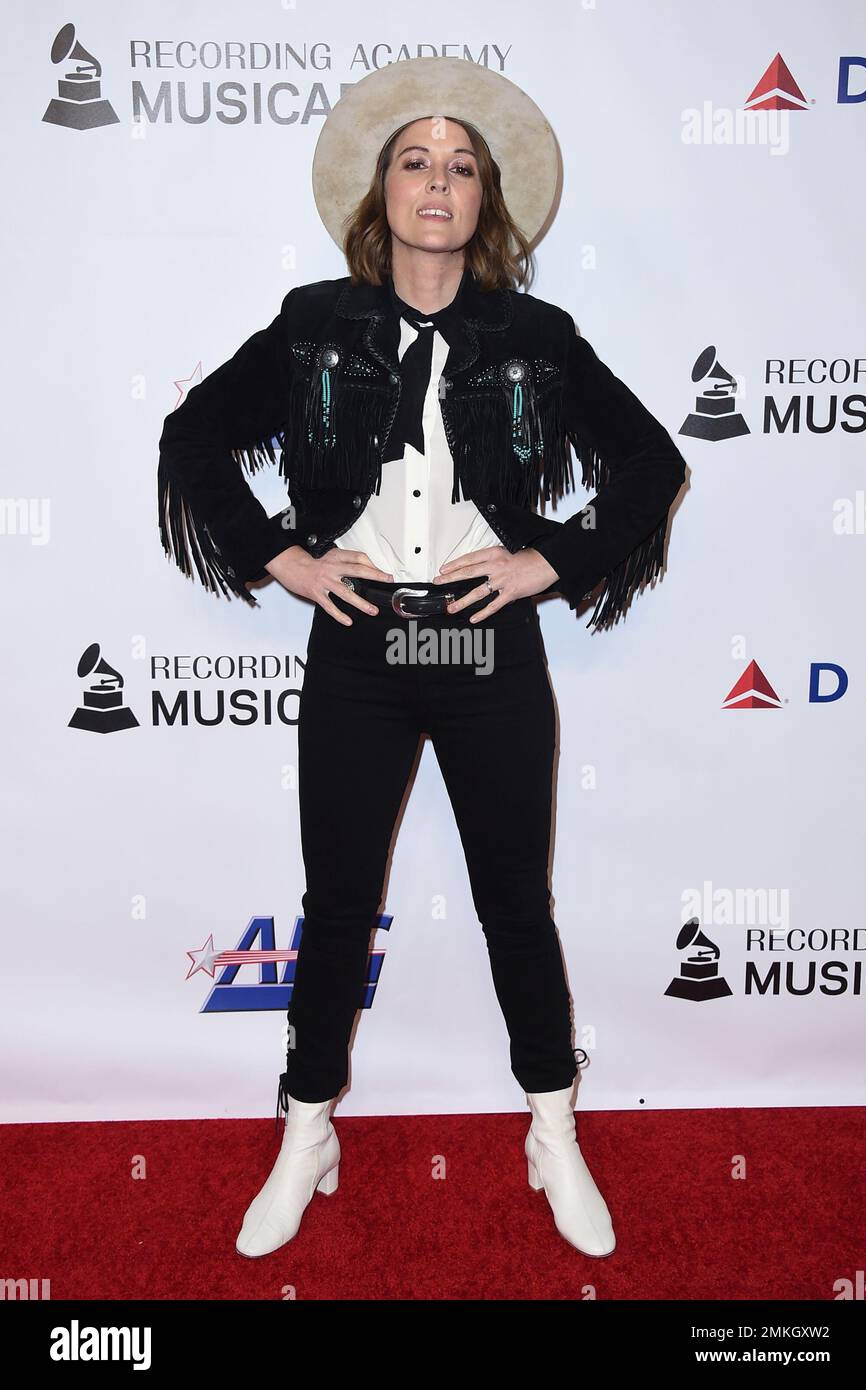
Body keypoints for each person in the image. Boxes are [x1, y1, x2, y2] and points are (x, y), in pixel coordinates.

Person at [156, 57, 687, 1262]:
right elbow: (192, 438)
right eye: (414, 161)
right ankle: (306, 1131)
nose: (435, 182)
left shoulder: (538, 337)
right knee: (336, 904)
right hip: (357, 640)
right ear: (378, 190)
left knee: (515, 898)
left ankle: (551, 1125)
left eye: (459, 166)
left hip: (486, 641)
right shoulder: (313, 325)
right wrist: (280, 556)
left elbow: (649, 462)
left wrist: (546, 559)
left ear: (485, 199)